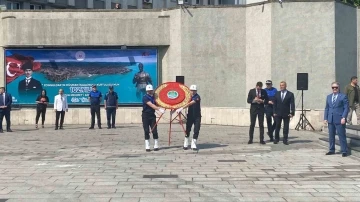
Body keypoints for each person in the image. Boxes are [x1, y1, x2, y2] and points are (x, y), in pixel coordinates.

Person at [324, 82, 349, 157]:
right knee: (331, 135)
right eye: (333, 87)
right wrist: (325, 118)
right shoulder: (328, 97)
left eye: (336, 87)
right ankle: (331, 150)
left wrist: (344, 117)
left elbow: (346, 108)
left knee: (341, 135)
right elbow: (327, 108)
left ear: (339, 88)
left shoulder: (343, 96)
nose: (334, 89)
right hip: (330, 119)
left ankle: (344, 150)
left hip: (339, 119)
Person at [176, 85, 202, 150]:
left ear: (196, 91)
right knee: (188, 129)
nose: (192, 92)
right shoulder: (188, 97)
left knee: (196, 129)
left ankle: (193, 143)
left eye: (194, 90)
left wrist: (182, 108)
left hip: (197, 116)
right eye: (191, 90)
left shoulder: (197, 97)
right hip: (190, 116)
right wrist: (175, 109)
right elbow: (182, 102)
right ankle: (186, 143)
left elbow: (191, 103)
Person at [142, 84, 165, 152]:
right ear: (147, 91)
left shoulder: (154, 97)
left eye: (151, 90)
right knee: (146, 130)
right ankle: (147, 145)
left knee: (154, 130)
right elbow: (151, 105)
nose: (150, 92)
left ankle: (156, 145)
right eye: (149, 91)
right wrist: (159, 109)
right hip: (145, 115)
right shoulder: (145, 97)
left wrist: (164, 106)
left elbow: (158, 103)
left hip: (152, 115)